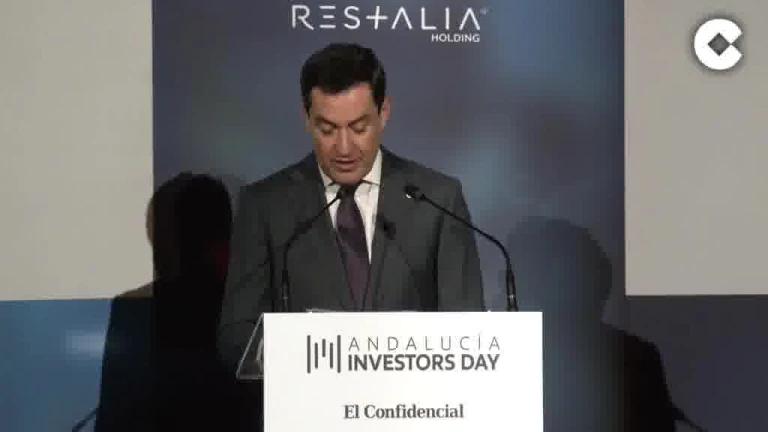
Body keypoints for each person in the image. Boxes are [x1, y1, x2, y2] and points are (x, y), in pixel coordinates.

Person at [217, 42, 485, 372]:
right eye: (327, 129)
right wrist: (302, 355)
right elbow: (236, 333)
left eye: (359, 128)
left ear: (384, 112)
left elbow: (468, 327)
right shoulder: (265, 206)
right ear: (306, 118)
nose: (343, 148)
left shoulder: (437, 200)